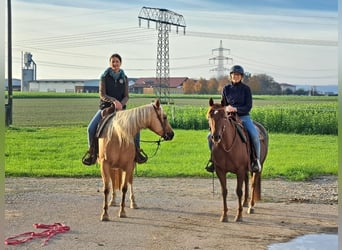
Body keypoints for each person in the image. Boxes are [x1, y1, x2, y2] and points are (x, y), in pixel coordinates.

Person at [82, 53, 147, 165]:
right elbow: (102, 94)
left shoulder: (124, 78)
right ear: (110, 63)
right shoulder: (104, 77)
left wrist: (121, 104)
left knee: (136, 127)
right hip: (106, 108)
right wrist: (114, 101)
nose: (115, 63)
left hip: (121, 110)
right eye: (113, 61)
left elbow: (126, 96)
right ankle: (92, 152)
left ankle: (137, 152)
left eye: (117, 61)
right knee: (90, 128)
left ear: (120, 63)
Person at [205, 65, 261, 173]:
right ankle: (213, 160)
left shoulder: (246, 89)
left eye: (238, 75)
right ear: (230, 76)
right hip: (228, 117)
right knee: (209, 136)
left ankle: (255, 161)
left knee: (254, 135)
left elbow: (248, 106)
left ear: (241, 77)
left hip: (244, 117)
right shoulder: (226, 89)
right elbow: (223, 104)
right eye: (234, 75)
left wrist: (235, 109)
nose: (236, 77)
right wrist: (226, 108)